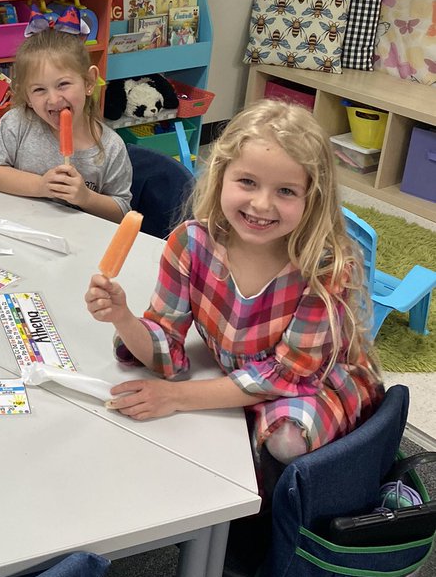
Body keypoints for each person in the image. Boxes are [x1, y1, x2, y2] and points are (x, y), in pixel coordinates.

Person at [85, 99, 383, 485]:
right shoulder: (189, 244)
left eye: (286, 191)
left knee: (286, 441)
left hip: (317, 382)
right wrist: (122, 317)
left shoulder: (322, 268)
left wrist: (176, 398)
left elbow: (285, 376)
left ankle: (287, 509)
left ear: (312, 198)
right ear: (221, 175)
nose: (262, 204)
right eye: (247, 182)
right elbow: (167, 351)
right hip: (242, 373)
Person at [0, 22, 131, 223]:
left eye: (63, 84)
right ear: (26, 95)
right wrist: (41, 186)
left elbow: (122, 213)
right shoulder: (19, 123)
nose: (54, 99)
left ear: (89, 82)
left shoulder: (111, 147)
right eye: (39, 90)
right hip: (20, 228)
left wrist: (86, 197)